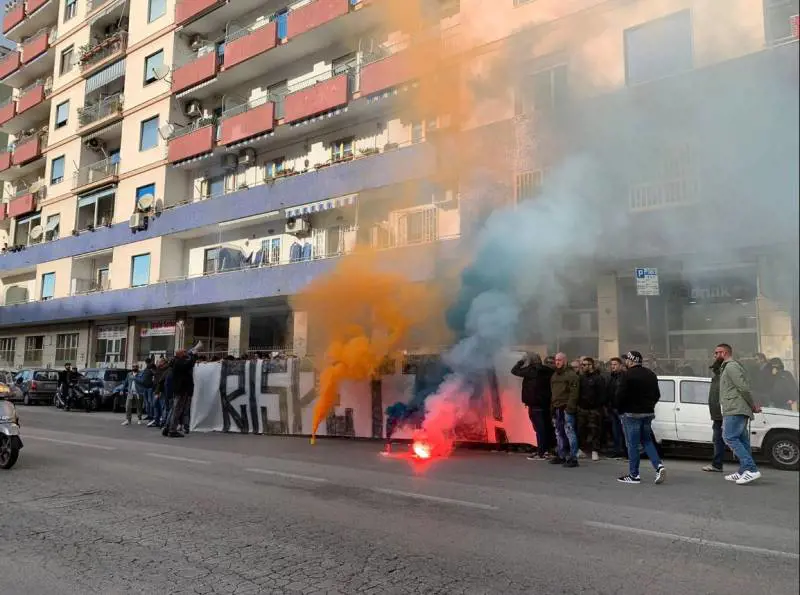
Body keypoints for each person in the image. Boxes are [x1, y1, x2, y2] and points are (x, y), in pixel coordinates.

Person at [616, 350, 666, 485]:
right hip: (648, 413)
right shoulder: (651, 374)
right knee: (647, 441)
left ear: (631, 361)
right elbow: (657, 395)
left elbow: (620, 395)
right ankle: (659, 466)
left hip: (631, 414)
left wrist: (620, 410)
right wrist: (649, 406)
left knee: (632, 445)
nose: (625, 361)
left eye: (627, 359)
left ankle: (634, 475)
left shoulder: (627, 375)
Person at [716, 343, 761, 484]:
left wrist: (752, 405)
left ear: (724, 353)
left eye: (717, 353)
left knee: (729, 437)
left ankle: (751, 469)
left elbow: (743, 387)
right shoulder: (728, 367)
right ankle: (744, 471)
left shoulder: (731, 366)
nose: (715, 355)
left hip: (735, 408)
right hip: (736, 407)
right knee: (741, 440)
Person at [511, 353, 554, 460]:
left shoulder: (530, 370)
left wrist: (521, 361)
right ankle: (546, 450)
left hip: (534, 404)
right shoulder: (548, 371)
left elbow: (514, 371)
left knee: (539, 429)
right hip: (546, 404)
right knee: (546, 428)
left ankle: (541, 452)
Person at [163, 342, 202, 438]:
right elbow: (189, 364)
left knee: (174, 409)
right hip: (181, 389)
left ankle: (168, 428)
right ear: (180, 354)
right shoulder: (179, 362)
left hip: (179, 389)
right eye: (184, 352)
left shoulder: (176, 361)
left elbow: (187, 363)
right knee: (177, 410)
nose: (186, 353)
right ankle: (172, 430)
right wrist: (194, 355)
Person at [549, 352, 580, 468]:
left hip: (566, 408)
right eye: (556, 360)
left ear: (565, 360)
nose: (557, 362)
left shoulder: (571, 375)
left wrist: (569, 408)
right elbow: (553, 393)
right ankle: (562, 455)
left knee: (569, 432)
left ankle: (573, 457)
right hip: (557, 407)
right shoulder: (554, 375)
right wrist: (552, 407)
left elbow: (574, 393)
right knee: (559, 433)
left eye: (560, 360)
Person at [577, 357, 606, 461]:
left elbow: (602, 394)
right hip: (582, 408)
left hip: (594, 409)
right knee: (581, 430)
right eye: (582, 365)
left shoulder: (598, 378)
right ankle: (581, 449)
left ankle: (595, 451)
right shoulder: (581, 378)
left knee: (595, 430)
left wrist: (597, 405)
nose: (583, 367)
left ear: (591, 365)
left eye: (585, 365)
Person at [701, 358, 725, 472]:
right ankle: (717, 464)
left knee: (721, 439)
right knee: (718, 439)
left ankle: (717, 464)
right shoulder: (716, 379)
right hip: (718, 415)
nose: (713, 370)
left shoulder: (722, 379)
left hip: (722, 415)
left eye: (715, 368)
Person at [606, 357, 627, 459]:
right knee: (615, 432)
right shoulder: (611, 377)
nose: (613, 366)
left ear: (620, 366)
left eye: (615, 364)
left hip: (622, 409)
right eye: (612, 365)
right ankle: (617, 450)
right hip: (612, 408)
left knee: (624, 432)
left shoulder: (624, 377)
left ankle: (626, 451)